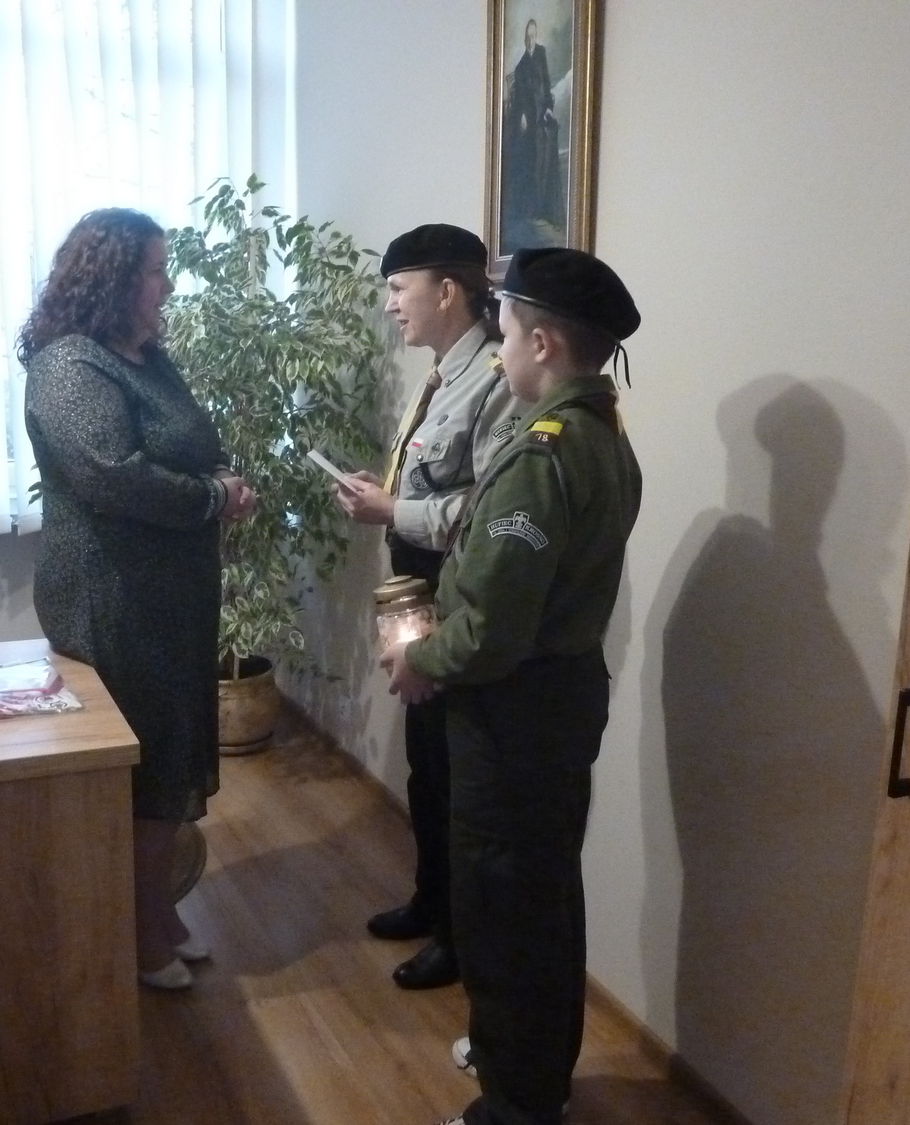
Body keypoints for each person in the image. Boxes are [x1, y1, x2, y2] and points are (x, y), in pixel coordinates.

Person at [381, 247, 643, 1125]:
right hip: (558, 700)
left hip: (516, 709)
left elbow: (494, 626)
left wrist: (422, 658)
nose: (497, 350)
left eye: (506, 329)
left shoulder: (542, 455)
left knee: (503, 906)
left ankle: (515, 1101)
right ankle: (529, 1063)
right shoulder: (603, 433)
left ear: (542, 343)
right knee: (543, 892)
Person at [19, 208, 255, 991]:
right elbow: (111, 475)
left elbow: (188, 443)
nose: (168, 284)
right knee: (145, 765)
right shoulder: (68, 364)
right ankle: (135, 928)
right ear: (113, 277)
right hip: (110, 595)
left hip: (171, 594)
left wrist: (219, 481)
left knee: (171, 751)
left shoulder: (146, 355)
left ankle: (154, 908)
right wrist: (212, 498)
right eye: (156, 270)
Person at [337, 223, 524, 991]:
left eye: (398, 288)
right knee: (425, 760)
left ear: (447, 290)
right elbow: (427, 480)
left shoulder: (497, 378)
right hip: (413, 588)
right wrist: (380, 490)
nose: (390, 306)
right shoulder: (441, 374)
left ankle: (457, 934)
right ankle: (430, 898)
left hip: (455, 595)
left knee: (455, 776)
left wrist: (393, 511)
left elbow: (483, 511)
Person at [502, 19, 563, 249]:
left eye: (533, 36)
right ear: (524, 38)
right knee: (530, 164)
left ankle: (545, 208)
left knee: (544, 160)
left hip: (541, 117)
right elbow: (518, 98)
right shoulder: (521, 66)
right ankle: (533, 208)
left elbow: (546, 84)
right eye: (528, 37)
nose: (530, 41)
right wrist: (521, 117)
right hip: (528, 122)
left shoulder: (541, 54)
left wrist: (548, 108)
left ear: (536, 36)